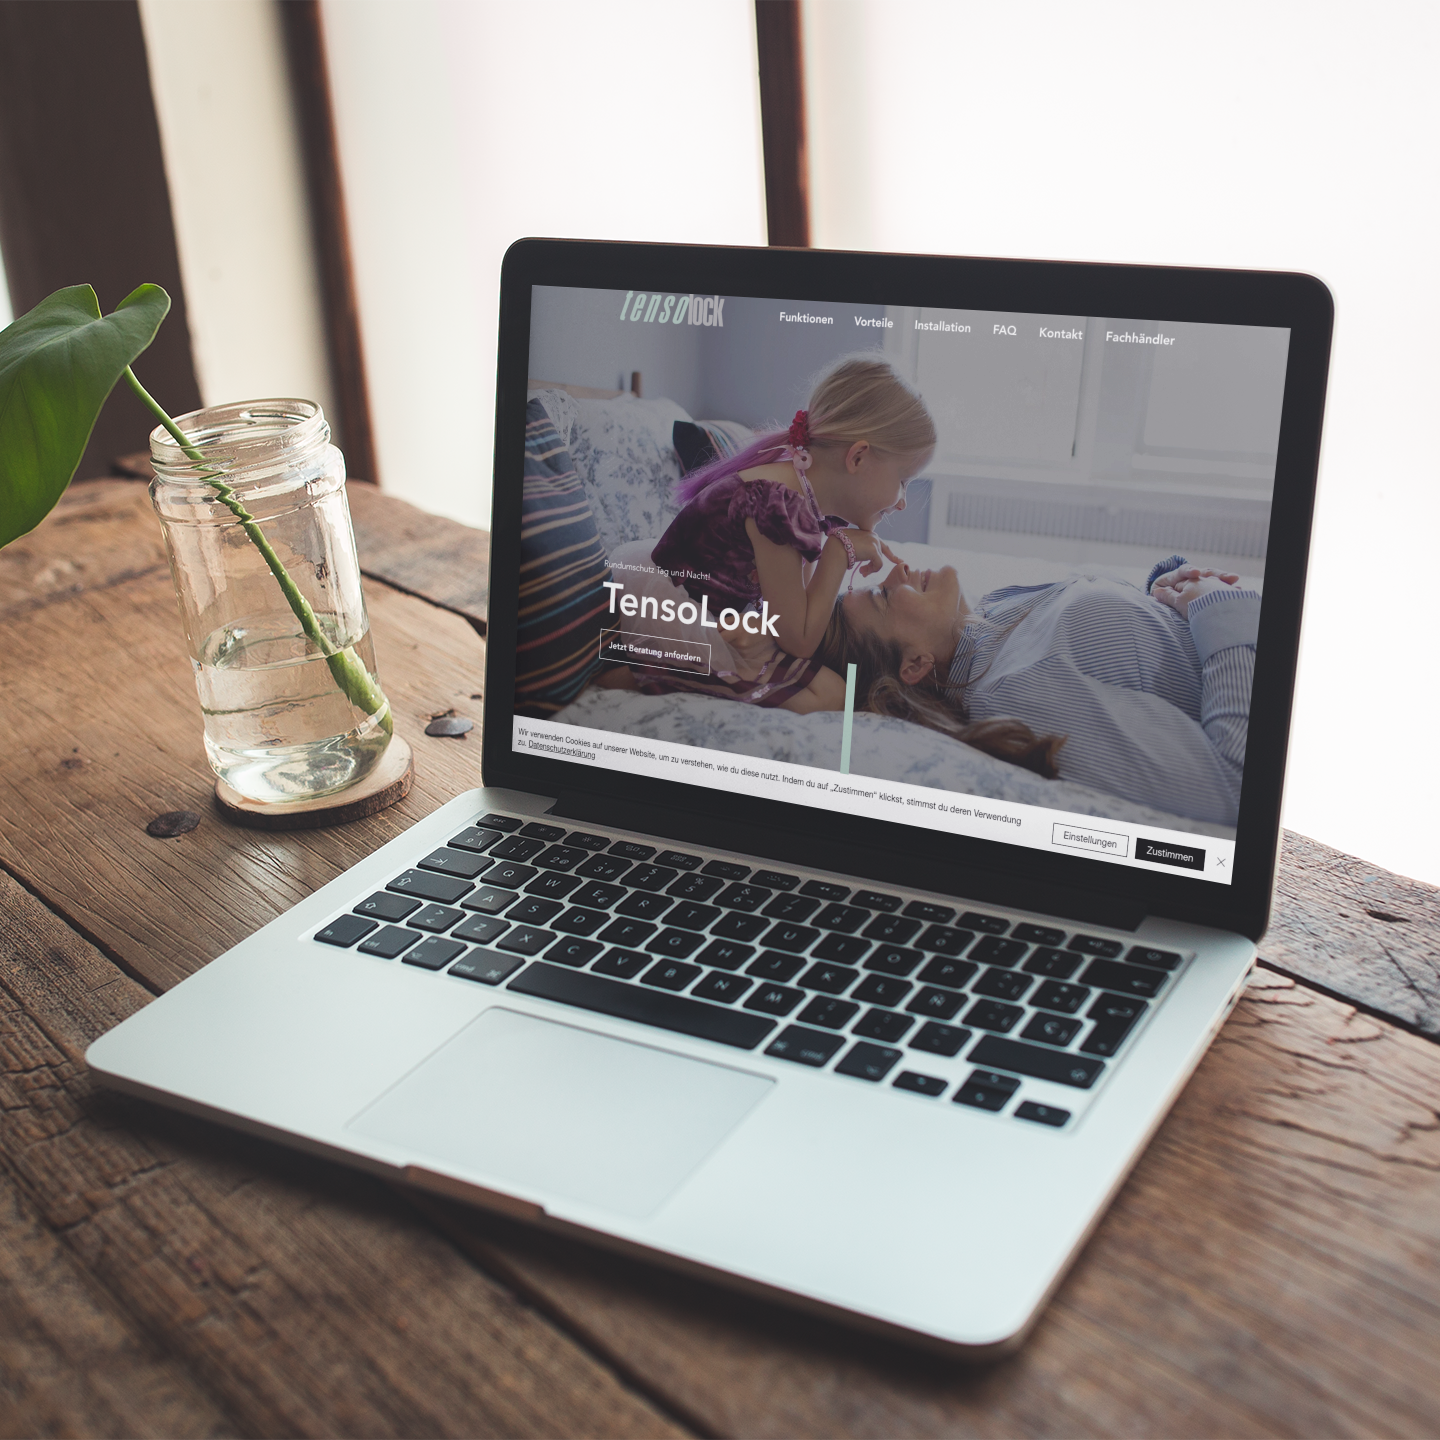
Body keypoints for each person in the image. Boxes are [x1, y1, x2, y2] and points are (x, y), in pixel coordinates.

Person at [816, 556, 1260, 826]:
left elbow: (1137, 665)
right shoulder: (1020, 687)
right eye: (882, 596)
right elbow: (1237, 782)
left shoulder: (995, 613)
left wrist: (1166, 594)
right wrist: (1213, 608)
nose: (897, 572)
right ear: (914, 665)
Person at [640, 356, 934, 709]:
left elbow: (796, 611)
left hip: (717, 614)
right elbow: (800, 640)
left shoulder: (802, 498)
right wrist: (838, 553)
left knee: (825, 684)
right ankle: (639, 674)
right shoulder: (778, 505)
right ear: (857, 458)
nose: (902, 502)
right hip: (678, 620)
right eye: (903, 482)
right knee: (832, 693)